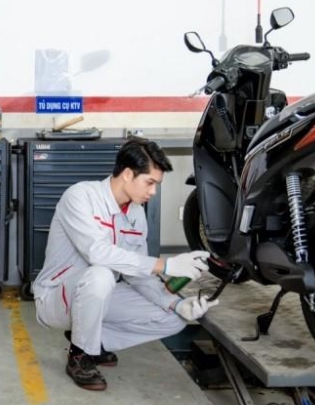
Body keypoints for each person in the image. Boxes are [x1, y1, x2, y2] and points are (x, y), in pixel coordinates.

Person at [33, 138, 219, 391]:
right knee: (100, 274)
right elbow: (97, 253)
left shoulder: (136, 213)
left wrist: (176, 303)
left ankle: (93, 340)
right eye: (150, 182)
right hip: (57, 298)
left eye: (156, 184)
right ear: (128, 174)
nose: (153, 192)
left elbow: (138, 275)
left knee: (174, 319)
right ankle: (79, 355)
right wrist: (165, 265)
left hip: (99, 295)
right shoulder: (80, 196)